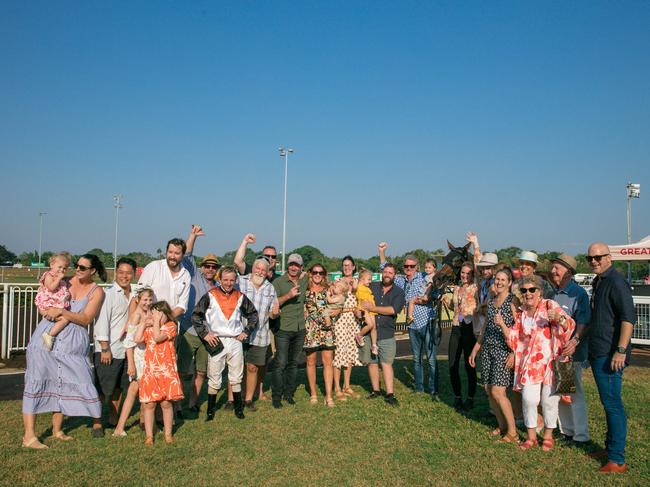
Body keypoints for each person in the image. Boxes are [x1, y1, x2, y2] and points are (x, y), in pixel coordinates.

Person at [22, 254, 106, 448]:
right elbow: (44, 297)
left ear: (92, 271)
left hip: (73, 344)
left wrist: (62, 312)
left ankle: (57, 429)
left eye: (82, 267)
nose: (77, 269)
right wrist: (47, 311)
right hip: (46, 336)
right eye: (76, 265)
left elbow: (85, 319)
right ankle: (29, 436)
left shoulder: (97, 291)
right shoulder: (64, 281)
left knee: (70, 381)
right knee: (37, 379)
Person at [495, 274, 575, 452]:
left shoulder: (549, 306)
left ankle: (547, 435)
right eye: (524, 290)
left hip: (551, 363)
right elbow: (515, 338)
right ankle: (531, 437)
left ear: (540, 291)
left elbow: (570, 325)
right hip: (530, 365)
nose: (528, 293)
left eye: (532, 290)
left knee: (549, 401)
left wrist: (559, 319)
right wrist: (502, 325)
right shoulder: (522, 312)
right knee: (529, 399)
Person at [585, 242, 635, 473]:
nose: (594, 261)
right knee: (608, 403)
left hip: (610, 353)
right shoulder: (599, 281)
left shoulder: (617, 282)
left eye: (598, 257)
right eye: (590, 258)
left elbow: (627, 319)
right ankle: (609, 448)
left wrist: (621, 350)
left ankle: (617, 459)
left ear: (609, 257)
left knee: (613, 404)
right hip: (599, 351)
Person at [191, 266, 259, 421]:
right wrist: (205, 334)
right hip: (217, 340)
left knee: (236, 376)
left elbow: (253, 315)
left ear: (236, 281)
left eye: (232, 280)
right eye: (226, 280)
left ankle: (238, 409)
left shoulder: (240, 296)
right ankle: (210, 411)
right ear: (219, 279)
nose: (229, 283)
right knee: (214, 377)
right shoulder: (210, 295)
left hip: (235, 341)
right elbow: (196, 316)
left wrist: (246, 332)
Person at [378, 243, 436, 399]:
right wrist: (382, 251)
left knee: (430, 359)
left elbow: (436, 287)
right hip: (412, 325)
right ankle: (419, 387)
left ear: (417, 267)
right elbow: (385, 268)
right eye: (406, 266)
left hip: (426, 322)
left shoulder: (424, 277)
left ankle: (432, 388)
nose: (409, 269)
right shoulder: (401, 281)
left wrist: (425, 299)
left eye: (411, 266)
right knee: (416, 358)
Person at [469, 268, 518, 443]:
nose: (499, 282)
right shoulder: (491, 301)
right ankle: (502, 426)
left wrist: (514, 352)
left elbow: (519, 329)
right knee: (488, 390)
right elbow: (485, 328)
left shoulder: (513, 302)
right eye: (497, 279)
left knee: (498, 392)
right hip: (488, 349)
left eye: (503, 279)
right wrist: (476, 349)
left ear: (510, 283)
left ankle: (512, 432)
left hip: (503, 351)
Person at [549, 253, 591, 446]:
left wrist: (575, 341)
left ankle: (581, 435)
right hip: (556, 352)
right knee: (562, 390)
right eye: (553, 267)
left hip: (572, 352)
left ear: (569, 272)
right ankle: (567, 431)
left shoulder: (578, 293)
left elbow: (583, 321)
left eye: (557, 267)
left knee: (574, 393)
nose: (553, 271)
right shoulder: (552, 293)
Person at [92, 257, 137, 437]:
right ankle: (96, 422)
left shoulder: (134, 293)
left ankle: (113, 416)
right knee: (102, 389)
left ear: (133, 274)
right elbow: (101, 322)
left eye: (128, 273)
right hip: (108, 348)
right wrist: (104, 347)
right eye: (121, 272)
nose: (124, 276)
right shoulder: (109, 294)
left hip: (125, 349)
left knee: (119, 387)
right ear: (115, 272)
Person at [178, 224, 219, 413]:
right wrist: (193, 235)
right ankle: (176, 403)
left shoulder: (219, 286)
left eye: (213, 266)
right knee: (183, 370)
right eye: (207, 266)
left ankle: (192, 403)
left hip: (208, 334)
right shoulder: (194, 275)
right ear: (202, 267)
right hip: (188, 329)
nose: (210, 269)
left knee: (201, 371)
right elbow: (186, 255)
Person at [137, 301, 184, 445]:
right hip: (151, 370)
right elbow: (137, 339)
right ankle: (149, 436)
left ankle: (168, 434)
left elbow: (158, 338)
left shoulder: (171, 327)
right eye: (153, 313)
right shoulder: (150, 328)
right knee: (149, 404)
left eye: (159, 314)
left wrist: (156, 322)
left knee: (166, 403)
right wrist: (144, 323)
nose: (155, 317)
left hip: (166, 370)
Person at [360, 262, 405, 406]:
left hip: (387, 333)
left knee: (386, 363)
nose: (387, 275)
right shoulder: (373, 286)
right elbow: (359, 294)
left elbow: (393, 310)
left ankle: (390, 394)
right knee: (372, 363)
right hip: (370, 333)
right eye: (385, 272)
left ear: (394, 275)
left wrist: (373, 307)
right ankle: (376, 390)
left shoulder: (398, 292)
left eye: (390, 273)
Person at [237, 257, 280, 410]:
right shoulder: (241, 282)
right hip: (239, 332)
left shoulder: (270, 288)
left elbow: (272, 313)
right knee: (238, 367)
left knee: (253, 367)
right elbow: (237, 261)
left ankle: (248, 399)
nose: (260, 272)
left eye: (263, 270)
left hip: (259, 334)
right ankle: (236, 398)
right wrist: (245, 241)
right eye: (258, 268)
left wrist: (275, 313)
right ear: (252, 268)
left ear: (268, 272)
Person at [112, 287, 154, 437]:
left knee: (135, 391)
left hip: (147, 354)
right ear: (138, 300)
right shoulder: (136, 316)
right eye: (145, 300)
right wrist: (131, 364)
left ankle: (127, 426)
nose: (147, 303)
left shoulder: (150, 312)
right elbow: (128, 342)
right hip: (138, 356)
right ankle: (143, 426)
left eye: (150, 300)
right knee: (140, 392)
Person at [271, 253, 309, 409]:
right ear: (288, 265)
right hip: (283, 328)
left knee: (293, 364)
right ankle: (276, 397)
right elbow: (272, 302)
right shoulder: (278, 282)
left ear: (301, 268)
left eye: (297, 265)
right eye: (291, 264)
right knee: (280, 364)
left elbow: (320, 277)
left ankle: (288, 394)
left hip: (300, 328)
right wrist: (288, 296)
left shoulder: (305, 279)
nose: (293, 268)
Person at [303, 264, 337, 406]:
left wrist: (337, 311)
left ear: (324, 274)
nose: (317, 274)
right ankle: (313, 394)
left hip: (327, 329)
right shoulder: (304, 290)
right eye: (315, 272)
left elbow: (338, 304)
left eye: (321, 272)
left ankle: (328, 396)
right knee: (310, 361)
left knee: (328, 362)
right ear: (310, 273)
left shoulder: (329, 290)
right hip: (310, 330)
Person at [448, 262, 479, 410]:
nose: (465, 275)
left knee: (469, 365)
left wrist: (475, 244)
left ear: (472, 274)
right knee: (452, 364)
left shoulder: (475, 287)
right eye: (462, 272)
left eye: (468, 273)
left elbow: (478, 267)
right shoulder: (457, 288)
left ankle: (470, 398)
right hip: (456, 326)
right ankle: (458, 396)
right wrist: (448, 303)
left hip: (469, 327)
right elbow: (456, 306)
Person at [137, 237, 191, 321]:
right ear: (166, 252)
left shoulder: (186, 275)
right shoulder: (153, 267)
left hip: (170, 323)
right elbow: (137, 296)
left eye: (177, 253)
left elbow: (182, 305)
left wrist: (165, 319)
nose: (172, 256)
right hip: (147, 321)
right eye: (170, 252)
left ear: (183, 255)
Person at [332, 256, 362, 400]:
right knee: (339, 353)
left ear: (354, 267)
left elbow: (362, 300)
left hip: (353, 321)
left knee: (350, 352)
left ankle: (347, 386)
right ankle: (337, 388)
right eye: (344, 265)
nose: (347, 267)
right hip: (340, 320)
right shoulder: (338, 282)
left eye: (349, 265)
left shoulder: (358, 283)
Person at [36, 252, 72, 351]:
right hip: (47, 303)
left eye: (64, 268)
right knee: (64, 319)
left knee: (65, 319)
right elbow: (51, 288)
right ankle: (49, 335)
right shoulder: (48, 275)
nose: (62, 270)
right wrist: (59, 279)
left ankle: (49, 334)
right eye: (59, 267)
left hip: (55, 305)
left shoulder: (61, 279)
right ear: (52, 265)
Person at [354, 269, 378, 355]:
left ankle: (374, 345)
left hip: (371, 308)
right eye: (368, 279)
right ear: (362, 280)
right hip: (363, 309)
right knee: (370, 324)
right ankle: (359, 335)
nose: (370, 281)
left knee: (374, 327)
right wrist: (359, 278)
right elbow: (354, 287)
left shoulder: (367, 288)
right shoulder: (359, 286)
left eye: (370, 279)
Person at [406, 258, 437, 324]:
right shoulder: (428, 276)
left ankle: (410, 316)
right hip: (424, 296)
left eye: (429, 268)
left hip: (424, 296)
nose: (427, 269)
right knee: (412, 301)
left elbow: (430, 286)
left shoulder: (431, 277)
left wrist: (425, 296)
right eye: (426, 267)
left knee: (411, 301)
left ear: (434, 268)